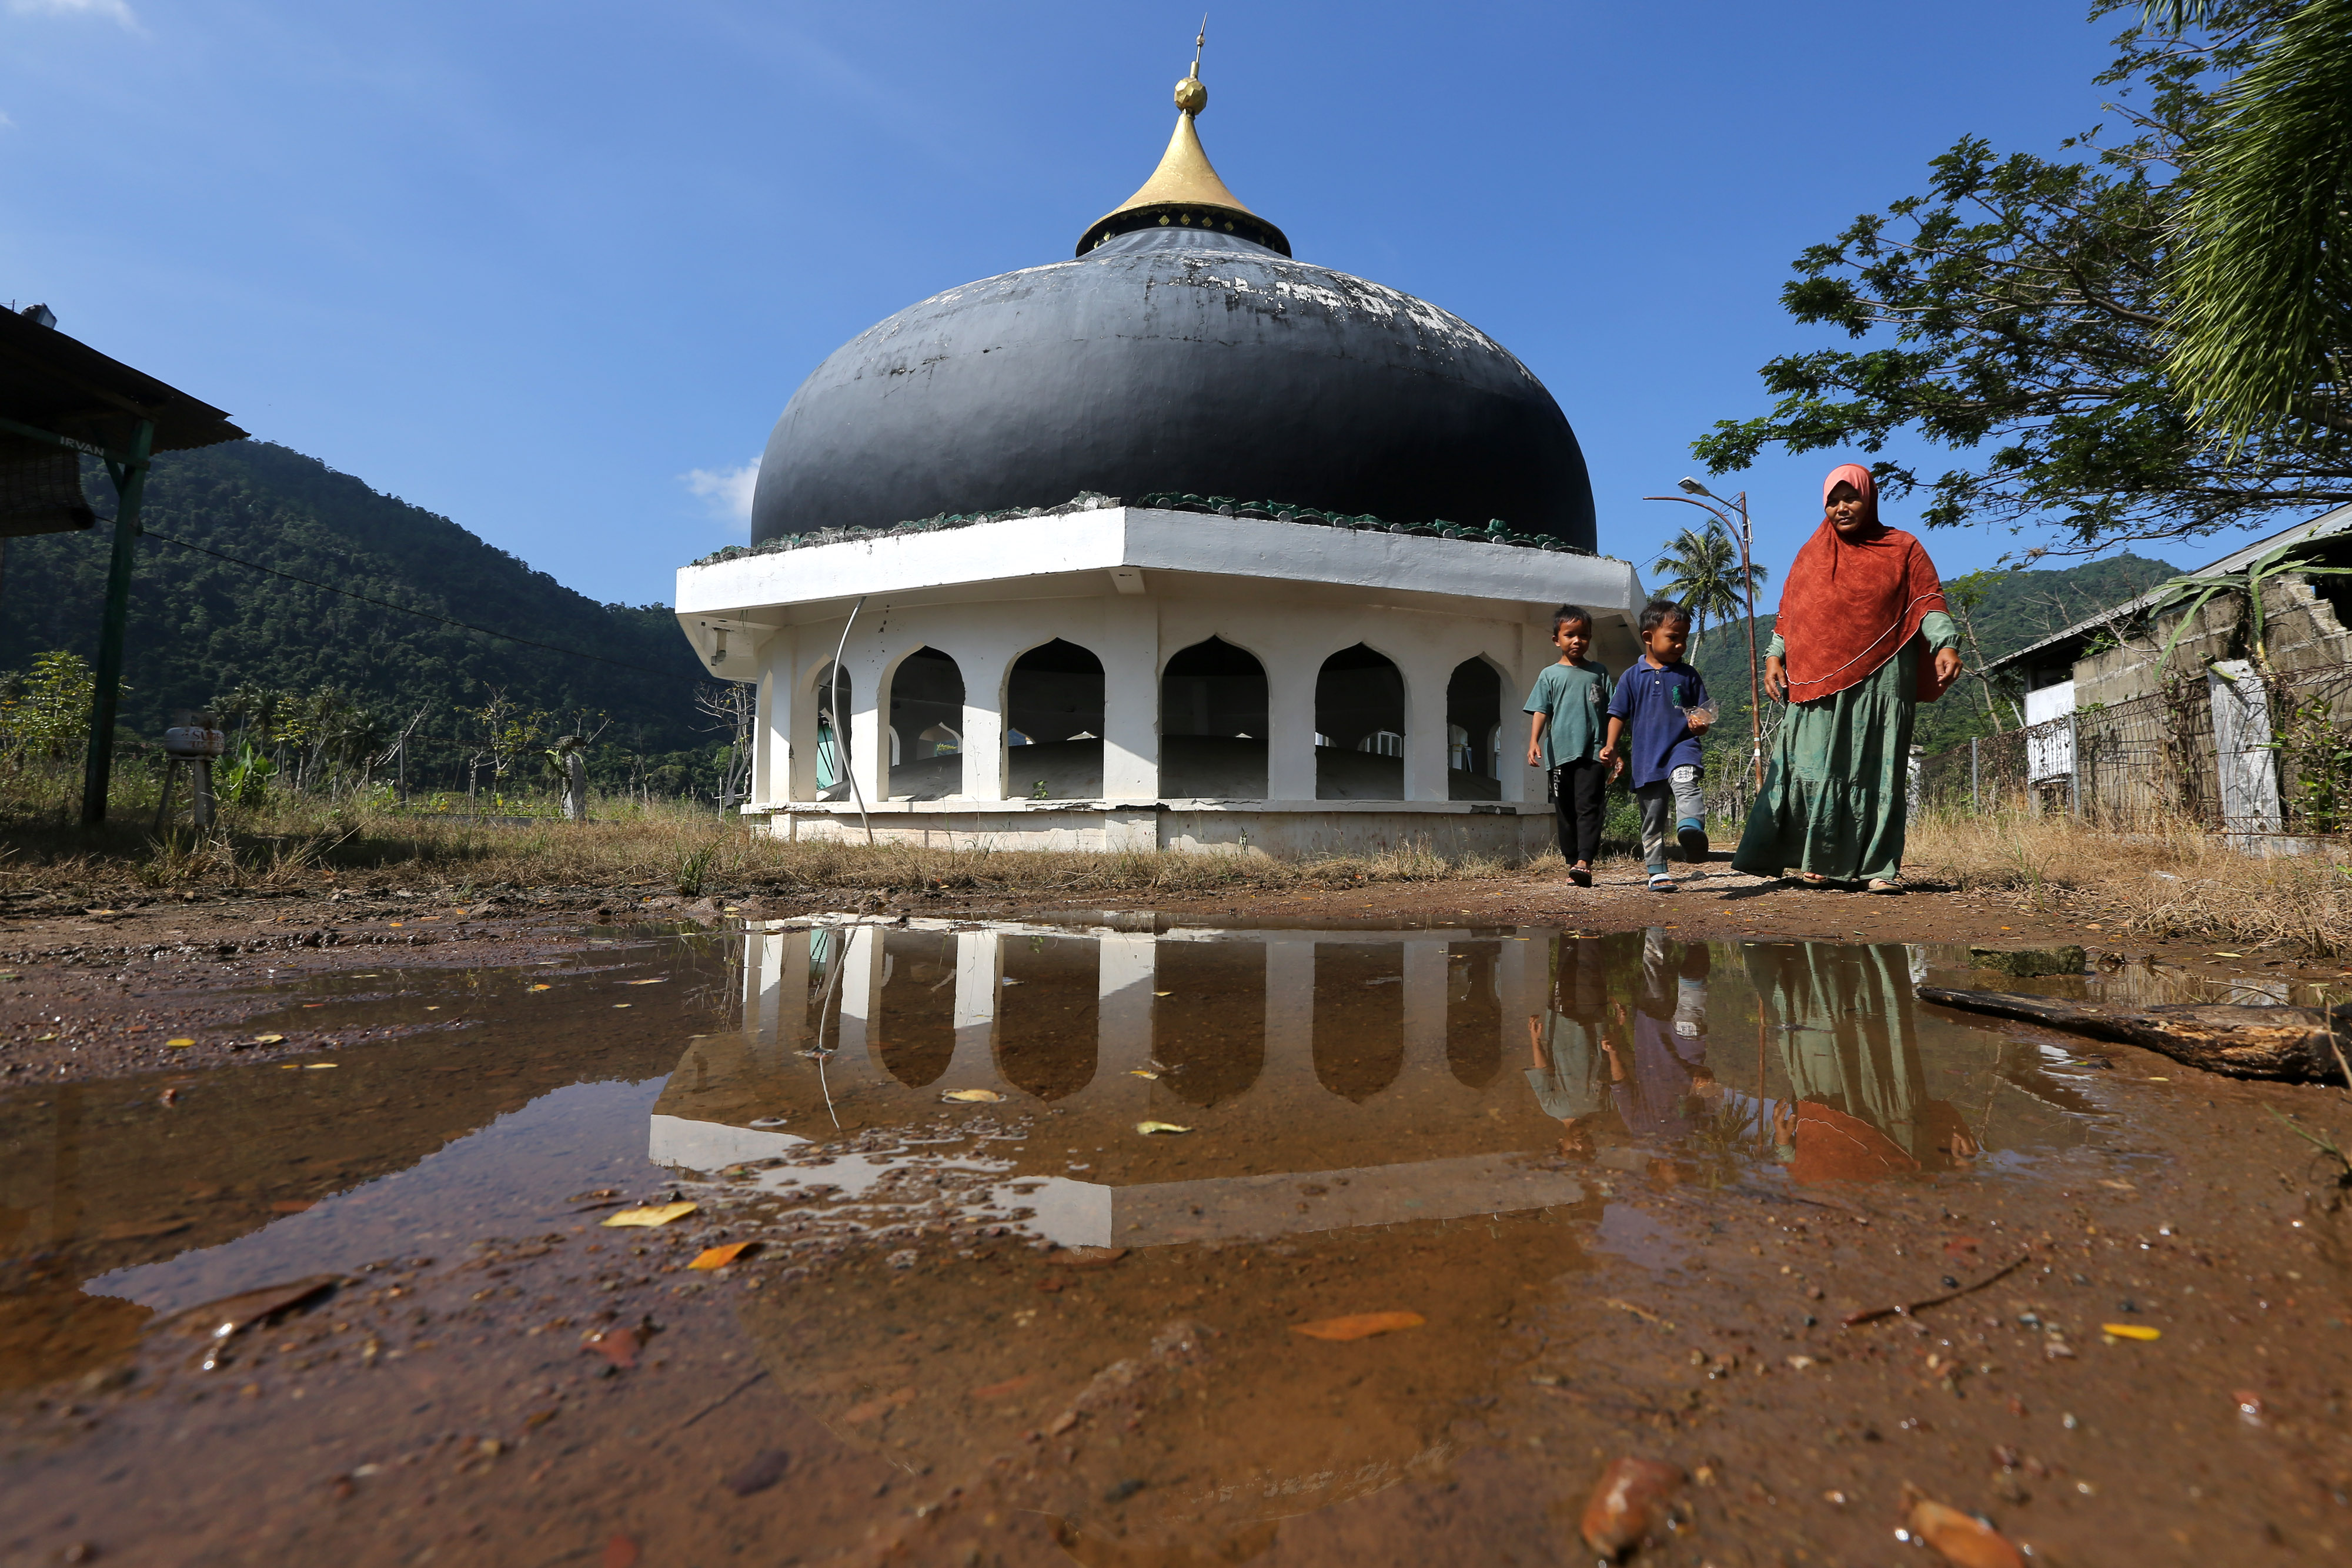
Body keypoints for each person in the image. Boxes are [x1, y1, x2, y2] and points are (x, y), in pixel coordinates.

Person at [1732, 464, 1963, 892]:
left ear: (1869, 497)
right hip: (1815, 678)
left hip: (1882, 674)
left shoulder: (1903, 547)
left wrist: (1945, 643)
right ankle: (1815, 859)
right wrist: (1774, 657)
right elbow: (1790, 615)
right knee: (1812, 765)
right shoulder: (1810, 554)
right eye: (1833, 500)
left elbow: (1928, 601)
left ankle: (1878, 868)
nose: (1841, 507)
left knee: (1874, 770)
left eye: (1850, 497)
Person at [1601, 601, 1713, 892]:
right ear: (1649, 637)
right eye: (1673, 637)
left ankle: (1691, 829)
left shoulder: (1688, 675)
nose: (1681, 645)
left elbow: (1703, 711)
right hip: (1647, 758)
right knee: (1652, 817)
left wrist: (1701, 723)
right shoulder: (1631, 677)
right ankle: (1657, 871)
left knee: (1687, 784)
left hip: (1682, 747)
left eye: (1684, 638)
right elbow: (1617, 714)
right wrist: (1611, 746)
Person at [1523, 604, 1616, 887]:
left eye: (1584, 636)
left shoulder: (1599, 673)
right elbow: (1541, 710)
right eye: (1570, 635)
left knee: (1589, 807)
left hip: (1593, 752)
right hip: (1559, 755)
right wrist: (1533, 742)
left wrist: (1613, 747)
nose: (1577, 641)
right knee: (1564, 810)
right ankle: (1572, 861)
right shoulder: (1549, 675)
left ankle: (1585, 861)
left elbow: (1613, 713)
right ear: (1557, 640)